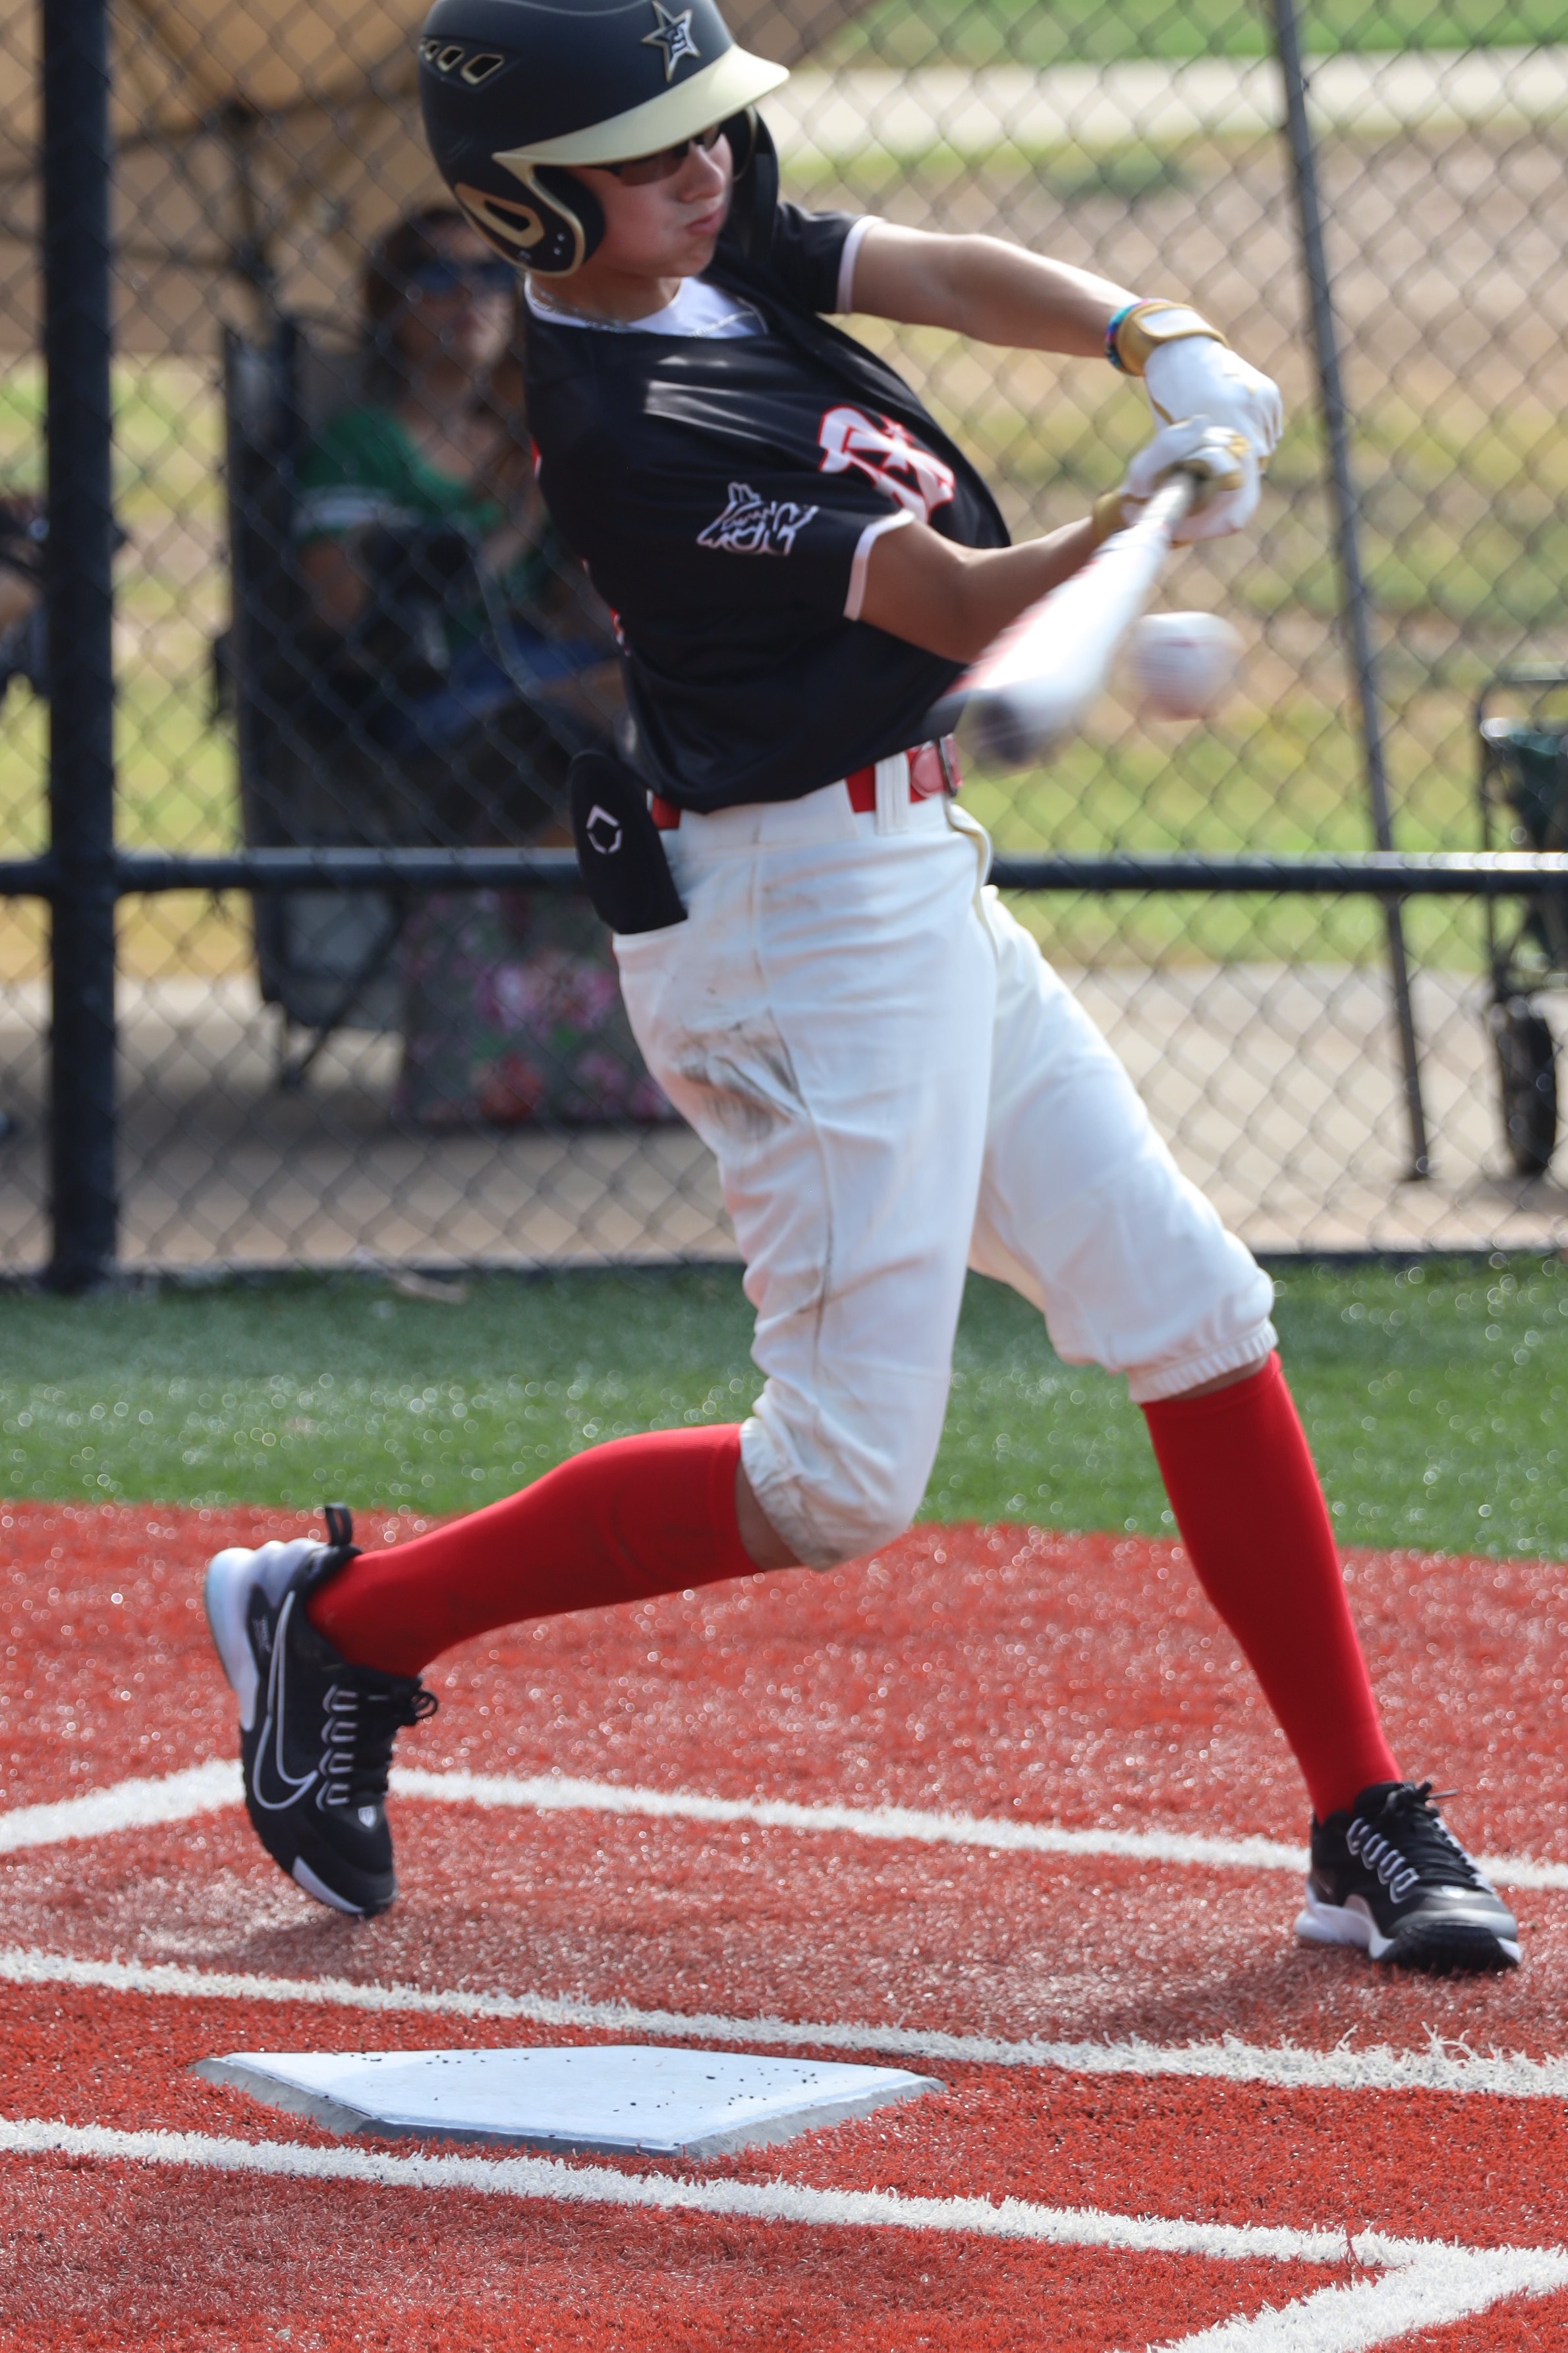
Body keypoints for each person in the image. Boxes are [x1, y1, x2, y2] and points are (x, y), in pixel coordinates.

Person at [201, 0, 1519, 1975]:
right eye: (650, 154)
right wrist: (1128, 524)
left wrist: (1148, 337)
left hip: (908, 870)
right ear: (532, 206)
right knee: (832, 1481)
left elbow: (943, 273)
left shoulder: (709, 236)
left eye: (707, 130)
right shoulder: (624, 431)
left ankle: (1358, 1811)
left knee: (1191, 1306)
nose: (705, 168)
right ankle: (346, 1625)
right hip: (787, 926)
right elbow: (951, 600)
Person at [294, 206, 669, 1125]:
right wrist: (512, 526)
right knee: (643, 723)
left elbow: (576, 611)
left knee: (679, 692)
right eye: (439, 277)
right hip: (431, 703)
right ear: (393, 308)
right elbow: (345, 613)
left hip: (545, 680)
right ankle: (544, 942)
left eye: (495, 276)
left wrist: (590, 515)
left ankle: (587, 975)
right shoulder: (363, 445)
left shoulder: (524, 436)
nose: (471, 297)